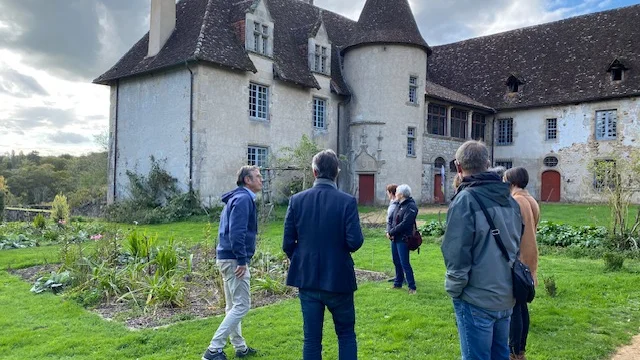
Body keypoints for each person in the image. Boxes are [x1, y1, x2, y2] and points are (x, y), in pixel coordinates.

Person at [441, 141, 523, 360]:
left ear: (459, 167)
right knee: (500, 355)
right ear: (487, 164)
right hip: (506, 294)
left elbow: (456, 253)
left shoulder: (465, 200)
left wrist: (455, 289)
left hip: (476, 297)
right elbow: (517, 244)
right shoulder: (510, 199)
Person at [283, 149, 364, 360]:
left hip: (308, 279)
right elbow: (355, 241)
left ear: (314, 172)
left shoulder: (297, 200)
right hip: (338, 277)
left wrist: (303, 260)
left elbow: (287, 243)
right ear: (337, 172)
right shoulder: (346, 202)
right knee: (346, 335)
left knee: (311, 340)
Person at [202, 166, 262, 360]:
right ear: (247, 180)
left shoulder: (237, 198)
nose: (262, 180)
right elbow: (237, 232)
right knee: (242, 305)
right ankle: (214, 349)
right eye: (258, 177)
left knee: (232, 306)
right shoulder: (244, 199)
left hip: (226, 257)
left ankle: (240, 348)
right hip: (234, 259)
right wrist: (242, 260)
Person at [504, 167, 540, 360]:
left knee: (515, 308)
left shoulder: (517, 200)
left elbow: (513, 232)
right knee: (521, 307)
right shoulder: (530, 199)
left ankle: (515, 351)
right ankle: (520, 350)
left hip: (520, 260)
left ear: (512, 181)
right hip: (530, 258)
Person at [386, 184, 418, 294]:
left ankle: (412, 287)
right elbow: (392, 219)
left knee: (405, 263)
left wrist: (391, 231)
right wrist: (389, 231)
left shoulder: (411, 207)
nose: (396, 194)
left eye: (398, 192)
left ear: (402, 194)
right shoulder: (399, 205)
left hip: (403, 238)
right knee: (396, 261)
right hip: (395, 238)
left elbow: (405, 224)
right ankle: (397, 282)